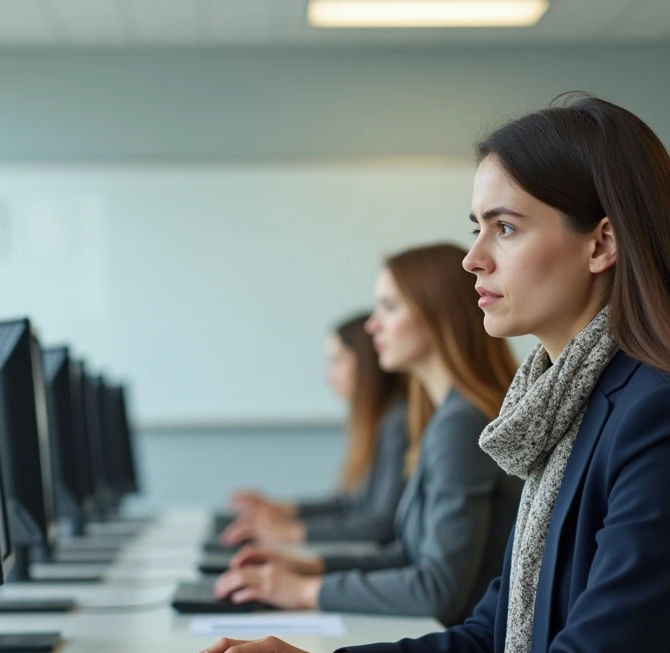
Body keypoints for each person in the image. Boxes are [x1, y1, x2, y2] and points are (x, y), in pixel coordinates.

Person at [160, 95, 670, 653]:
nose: (473, 259)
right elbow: (490, 633)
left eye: (505, 228)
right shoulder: (563, 407)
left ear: (601, 242)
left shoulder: (664, 421)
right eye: (477, 228)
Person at [214, 244, 521, 626]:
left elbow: (438, 589)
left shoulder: (462, 424)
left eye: (389, 307)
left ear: (439, 317)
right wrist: (308, 569)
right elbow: (406, 554)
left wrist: (306, 592)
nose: (373, 325)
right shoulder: (444, 416)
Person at [221, 313, 407, 546]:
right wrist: (280, 509)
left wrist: (287, 532)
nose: (328, 375)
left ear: (365, 362)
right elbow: (351, 502)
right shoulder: (383, 420)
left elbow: (379, 523)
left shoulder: (398, 424)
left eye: (337, 360)